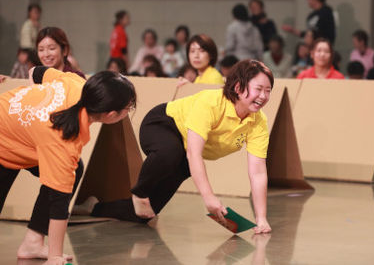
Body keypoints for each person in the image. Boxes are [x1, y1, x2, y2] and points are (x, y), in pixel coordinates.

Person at [90, 60, 273, 235]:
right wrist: (209, 198)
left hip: (183, 152)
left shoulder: (258, 122)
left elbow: (257, 171)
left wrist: (262, 218)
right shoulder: (211, 102)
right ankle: (140, 192)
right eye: (258, 89)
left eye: (268, 90)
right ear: (238, 87)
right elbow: (194, 153)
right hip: (163, 124)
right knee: (171, 152)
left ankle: (93, 207)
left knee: (143, 215)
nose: (263, 96)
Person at [0, 67, 136, 265]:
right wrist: (55, 257)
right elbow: (59, 203)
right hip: (5, 141)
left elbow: (35, 71)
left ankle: (33, 242)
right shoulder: (63, 141)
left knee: (74, 169)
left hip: (17, 135)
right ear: (111, 115)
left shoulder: (75, 82)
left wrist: (33, 116)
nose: (129, 110)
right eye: (129, 107)